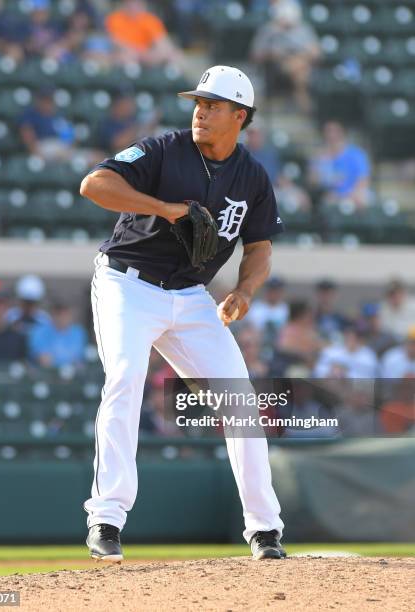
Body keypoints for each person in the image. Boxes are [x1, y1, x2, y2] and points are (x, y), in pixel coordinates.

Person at [79, 65, 286, 562]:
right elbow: (95, 184)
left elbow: (259, 246)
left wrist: (244, 290)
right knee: (125, 379)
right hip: (127, 283)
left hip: (192, 296)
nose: (201, 112)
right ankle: (106, 518)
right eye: (198, 103)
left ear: (240, 116)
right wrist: (164, 207)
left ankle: (265, 530)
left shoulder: (252, 175)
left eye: (213, 106)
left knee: (240, 399)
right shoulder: (162, 149)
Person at [250, 0, 320, 112]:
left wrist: (303, 55)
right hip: (277, 66)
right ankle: (304, 102)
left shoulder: (304, 29)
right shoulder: (268, 30)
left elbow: (317, 53)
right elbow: (256, 54)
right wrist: (272, 52)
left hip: (302, 63)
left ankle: (301, 98)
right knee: (300, 70)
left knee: (299, 68)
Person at [309, 121, 371, 208]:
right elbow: (313, 182)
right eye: (328, 131)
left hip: (354, 194)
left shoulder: (356, 154)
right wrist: (322, 163)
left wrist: (347, 196)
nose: (331, 135)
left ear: (342, 133)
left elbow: (363, 181)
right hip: (331, 196)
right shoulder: (320, 156)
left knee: (362, 198)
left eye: (335, 131)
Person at [105, 0, 183, 67]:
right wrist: (139, 53)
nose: (134, 6)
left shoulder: (150, 20)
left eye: (137, 3)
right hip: (125, 55)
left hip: (146, 55)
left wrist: (164, 52)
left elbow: (162, 42)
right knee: (125, 57)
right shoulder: (115, 19)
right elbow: (116, 42)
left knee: (174, 55)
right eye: (131, 3)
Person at [18, 87, 75, 162]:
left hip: (60, 147)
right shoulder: (30, 115)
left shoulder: (58, 115)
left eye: (50, 100)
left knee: (90, 158)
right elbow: (27, 136)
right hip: (42, 146)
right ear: (38, 100)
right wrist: (37, 154)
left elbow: (70, 137)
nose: (47, 103)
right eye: (45, 100)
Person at [29, 301, 87, 368]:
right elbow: (44, 360)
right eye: (59, 314)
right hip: (47, 373)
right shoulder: (39, 332)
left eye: (66, 314)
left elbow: (80, 359)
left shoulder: (78, 332)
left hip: (74, 374)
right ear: (53, 315)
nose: (63, 318)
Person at [314, 323, 379, 379]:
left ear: (361, 339)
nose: (349, 340)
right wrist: (330, 372)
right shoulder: (332, 350)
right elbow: (318, 370)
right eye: (348, 336)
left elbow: (370, 383)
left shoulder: (369, 358)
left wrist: (346, 375)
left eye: (354, 337)